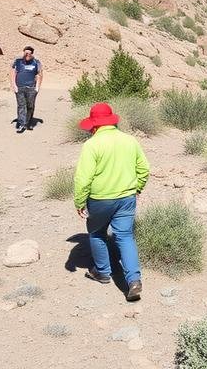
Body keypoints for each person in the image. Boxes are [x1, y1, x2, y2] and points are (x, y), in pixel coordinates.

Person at [73, 102, 149, 301]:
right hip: (127, 198)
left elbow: (83, 178)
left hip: (100, 200)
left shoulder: (92, 145)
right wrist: (137, 188)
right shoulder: (130, 141)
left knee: (97, 233)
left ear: (95, 126)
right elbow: (144, 169)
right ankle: (133, 280)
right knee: (125, 236)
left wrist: (80, 201)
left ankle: (102, 272)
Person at [11, 46, 43, 133]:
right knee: (21, 106)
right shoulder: (18, 61)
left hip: (31, 88)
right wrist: (14, 85)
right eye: (25, 53)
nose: (27, 55)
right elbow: (13, 72)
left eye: (29, 53)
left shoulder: (36, 62)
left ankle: (28, 122)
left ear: (32, 54)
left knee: (30, 106)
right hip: (20, 87)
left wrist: (37, 87)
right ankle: (21, 124)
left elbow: (40, 74)